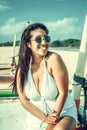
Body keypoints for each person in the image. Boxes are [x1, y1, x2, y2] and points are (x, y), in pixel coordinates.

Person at [13, 23, 77, 130]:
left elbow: (63, 92)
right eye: (38, 39)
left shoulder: (54, 59)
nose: (44, 43)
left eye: (46, 38)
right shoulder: (22, 68)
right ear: (29, 44)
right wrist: (44, 118)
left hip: (62, 112)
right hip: (37, 117)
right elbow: (24, 100)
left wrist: (52, 119)